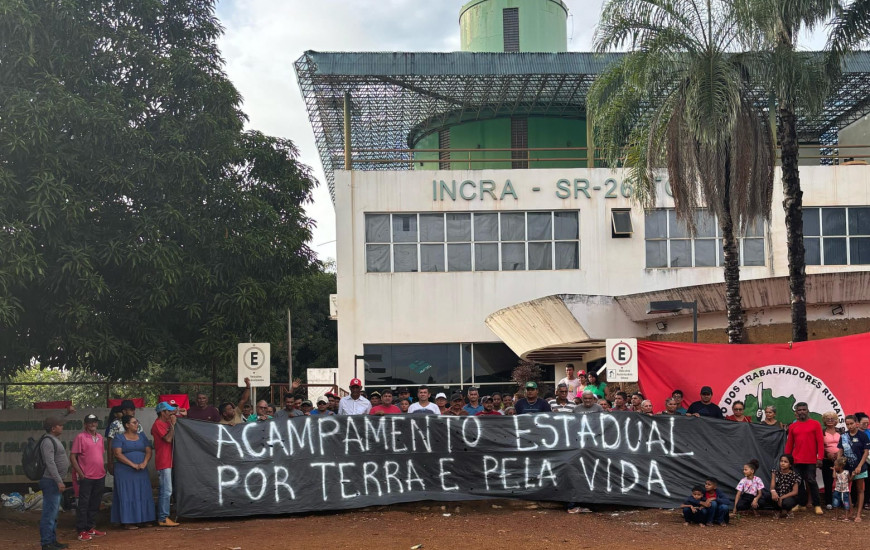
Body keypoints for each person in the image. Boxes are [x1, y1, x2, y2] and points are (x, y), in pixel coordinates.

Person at [111, 415, 155, 529]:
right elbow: (117, 454)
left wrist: (145, 462)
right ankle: (128, 522)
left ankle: (145, 519)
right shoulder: (119, 438)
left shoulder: (142, 436)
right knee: (128, 494)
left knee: (143, 492)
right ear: (127, 425)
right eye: (134, 422)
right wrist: (133, 464)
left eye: (137, 422)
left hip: (141, 470)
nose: (137, 424)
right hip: (125, 471)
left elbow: (149, 451)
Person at [70, 414, 107, 542]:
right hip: (86, 477)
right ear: (85, 424)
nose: (92, 424)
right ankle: (81, 530)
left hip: (100, 475)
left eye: (94, 422)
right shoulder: (80, 437)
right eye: (90, 422)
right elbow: (73, 457)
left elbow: (99, 455)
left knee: (95, 503)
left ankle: (90, 527)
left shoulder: (100, 437)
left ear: (97, 423)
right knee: (84, 504)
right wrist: (80, 473)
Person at [785, 401, 825, 515]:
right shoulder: (793, 426)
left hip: (811, 459)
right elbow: (789, 444)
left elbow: (820, 442)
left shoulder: (816, 424)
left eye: (804, 409)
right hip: (796, 459)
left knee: (812, 481)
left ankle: (817, 505)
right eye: (799, 410)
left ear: (807, 411)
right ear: (796, 412)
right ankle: (801, 504)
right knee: (798, 483)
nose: (802, 411)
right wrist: (787, 459)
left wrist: (820, 458)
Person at [39, 416, 70, 550]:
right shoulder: (47, 441)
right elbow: (50, 463)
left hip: (54, 481)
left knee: (54, 513)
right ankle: (47, 543)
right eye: (59, 425)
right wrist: (59, 481)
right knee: (49, 514)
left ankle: (52, 540)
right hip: (51, 481)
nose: (62, 427)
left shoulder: (53, 440)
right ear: (53, 428)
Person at [151, 402, 180, 527]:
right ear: (163, 412)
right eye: (169, 411)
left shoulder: (166, 423)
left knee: (168, 490)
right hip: (163, 461)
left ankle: (164, 516)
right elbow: (168, 439)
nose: (171, 414)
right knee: (166, 490)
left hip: (169, 460)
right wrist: (173, 425)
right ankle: (163, 517)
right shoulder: (158, 424)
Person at [839, 414, 870, 522]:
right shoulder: (843, 436)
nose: (850, 426)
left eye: (851, 424)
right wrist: (838, 465)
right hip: (847, 467)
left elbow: (866, 452)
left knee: (860, 490)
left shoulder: (863, 436)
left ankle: (858, 514)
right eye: (847, 424)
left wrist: (860, 466)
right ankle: (850, 511)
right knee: (846, 490)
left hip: (860, 466)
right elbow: (840, 451)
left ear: (856, 423)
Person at [106, 399, 141, 476]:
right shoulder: (115, 424)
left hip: (136, 461)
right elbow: (110, 443)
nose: (133, 412)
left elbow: (141, 440)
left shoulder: (137, 423)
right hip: (120, 461)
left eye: (134, 410)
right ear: (124, 411)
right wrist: (110, 462)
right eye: (131, 410)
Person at [821, 411, 842, 509]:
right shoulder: (822, 432)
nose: (830, 421)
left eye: (832, 419)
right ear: (824, 421)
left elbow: (845, 444)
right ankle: (828, 502)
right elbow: (820, 446)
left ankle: (841, 501)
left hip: (840, 459)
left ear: (835, 421)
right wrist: (827, 454)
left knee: (840, 480)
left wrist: (839, 455)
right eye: (827, 419)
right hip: (827, 459)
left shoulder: (841, 431)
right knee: (828, 481)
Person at [770, 454, 801, 518]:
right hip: (778, 493)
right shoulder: (775, 473)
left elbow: (795, 492)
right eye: (781, 461)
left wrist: (782, 497)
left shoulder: (794, 475)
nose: (782, 463)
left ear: (790, 464)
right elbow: (772, 486)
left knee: (787, 503)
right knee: (769, 496)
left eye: (785, 462)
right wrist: (773, 492)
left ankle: (789, 511)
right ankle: (778, 511)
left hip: (789, 496)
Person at [831, 456, 852, 521]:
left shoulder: (846, 472)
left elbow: (849, 480)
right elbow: (834, 476)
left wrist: (853, 475)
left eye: (835, 465)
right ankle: (836, 516)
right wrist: (834, 470)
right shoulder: (836, 473)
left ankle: (846, 517)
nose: (834, 466)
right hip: (837, 490)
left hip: (845, 491)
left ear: (840, 466)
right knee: (835, 503)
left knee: (846, 503)